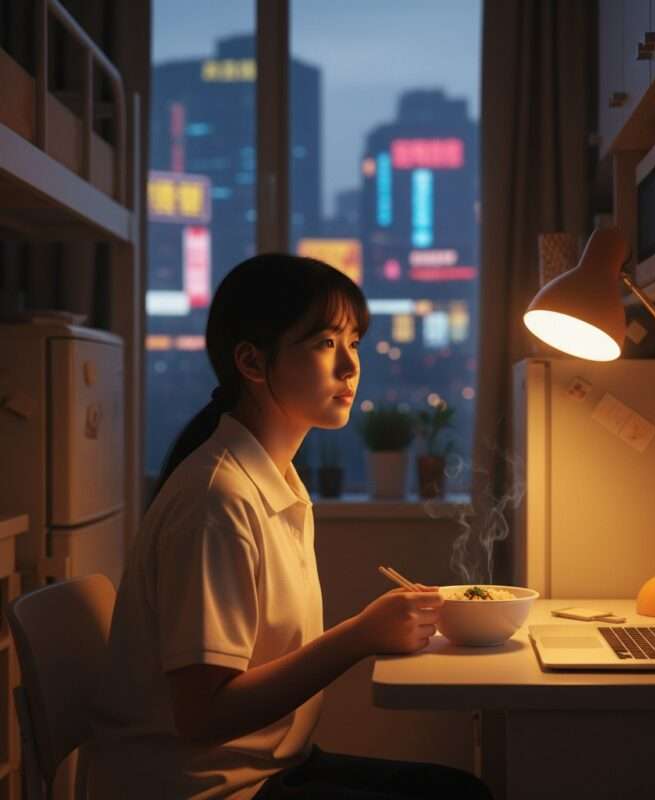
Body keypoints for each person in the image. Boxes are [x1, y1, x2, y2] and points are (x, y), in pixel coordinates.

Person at [89, 253, 493, 799]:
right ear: (253, 364)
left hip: (271, 766)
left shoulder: (277, 480)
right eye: (326, 343)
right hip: (210, 788)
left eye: (354, 343)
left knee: (459, 791)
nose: (350, 366)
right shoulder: (218, 501)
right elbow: (202, 716)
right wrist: (359, 636)